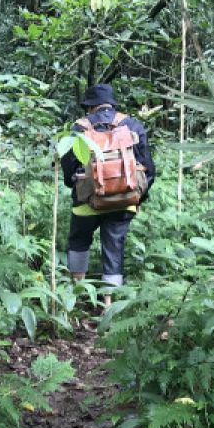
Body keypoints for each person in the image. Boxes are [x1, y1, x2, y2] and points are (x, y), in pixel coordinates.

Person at [60, 83, 155, 288]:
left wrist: (74, 186)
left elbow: (69, 168)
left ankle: (77, 294)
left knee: (79, 242)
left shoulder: (80, 127)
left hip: (87, 200)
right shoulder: (132, 125)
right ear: (112, 104)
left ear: (91, 106)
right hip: (124, 200)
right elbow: (148, 169)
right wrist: (138, 199)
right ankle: (109, 304)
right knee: (114, 248)